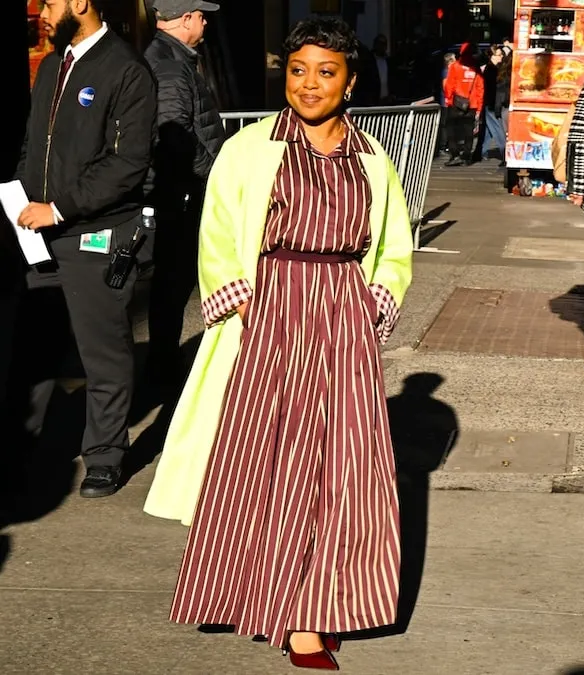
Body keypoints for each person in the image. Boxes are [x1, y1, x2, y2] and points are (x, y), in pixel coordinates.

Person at [141, 17, 414, 667]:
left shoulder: (374, 159)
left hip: (343, 318)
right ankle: (282, 611)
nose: (310, 84)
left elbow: (395, 248)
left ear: (349, 81)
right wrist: (240, 305)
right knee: (264, 467)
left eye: (326, 72)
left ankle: (324, 603)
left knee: (343, 471)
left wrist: (373, 304)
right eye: (298, 70)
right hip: (268, 319)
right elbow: (218, 232)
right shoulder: (249, 148)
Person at [9, 0, 156, 498]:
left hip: (96, 233)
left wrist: (60, 207)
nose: (42, 13)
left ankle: (104, 457)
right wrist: (25, 195)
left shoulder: (126, 69)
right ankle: (19, 452)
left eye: (50, 2)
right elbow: (35, 143)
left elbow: (128, 163)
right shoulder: (53, 65)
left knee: (103, 351)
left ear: (81, 3)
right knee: (33, 350)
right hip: (38, 232)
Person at [144, 0, 226, 389]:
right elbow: (174, 132)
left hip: (182, 190)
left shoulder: (173, 58)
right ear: (187, 18)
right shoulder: (171, 64)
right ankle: (162, 368)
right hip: (180, 194)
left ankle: (163, 362)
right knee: (172, 284)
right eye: (201, 14)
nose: (206, 21)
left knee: (173, 285)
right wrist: (213, 170)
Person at [442, 43, 483, 167]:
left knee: (451, 129)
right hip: (472, 103)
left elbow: (450, 85)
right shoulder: (476, 68)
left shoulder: (455, 66)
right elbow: (480, 87)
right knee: (468, 131)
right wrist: (479, 106)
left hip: (456, 102)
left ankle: (454, 154)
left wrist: (449, 100)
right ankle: (466, 156)